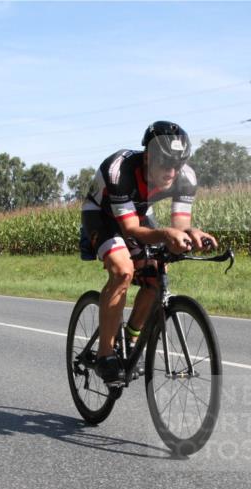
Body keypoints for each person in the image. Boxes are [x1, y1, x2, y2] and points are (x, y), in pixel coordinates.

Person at [79, 121, 217, 386]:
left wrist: (193, 233)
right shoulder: (120, 170)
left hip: (140, 214)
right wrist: (166, 235)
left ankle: (131, 338)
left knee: (156, 276)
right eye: (166, 164)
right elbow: (129, 228)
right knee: (123, 271)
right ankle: (105, 355)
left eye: (178, 164)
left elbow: (179, 226)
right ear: (148, 157)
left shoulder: (185, 177)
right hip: (102, 216)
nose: (172, 171)